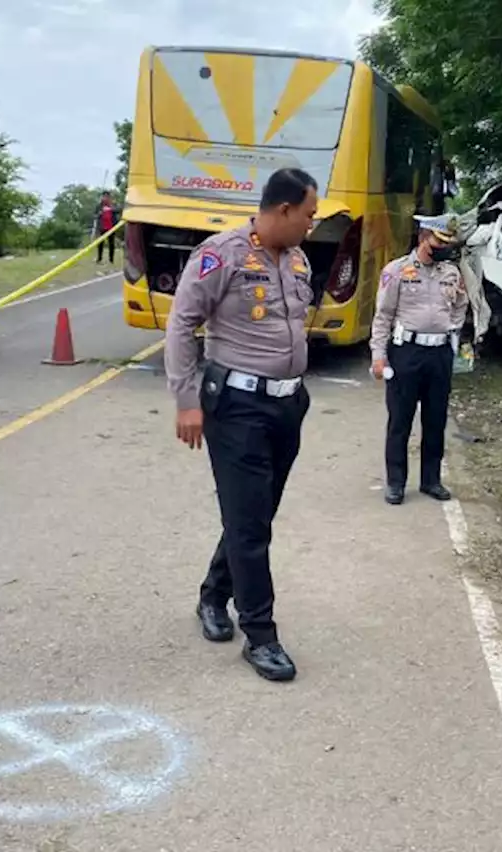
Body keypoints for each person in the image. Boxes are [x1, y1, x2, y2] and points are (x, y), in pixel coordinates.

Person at [164, 168, 319, 683]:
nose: (312, 224)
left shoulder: (297, 259)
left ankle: (213, 595)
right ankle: (261, 635)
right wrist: (187, 400)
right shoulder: (222, 254)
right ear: (282, 211)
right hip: (237, 408)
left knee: (253, 516)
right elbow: (182, 323)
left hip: (286, 406)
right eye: (308, 214)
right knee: (250, 525)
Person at [370, 213, 469, 506]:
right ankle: (396, 483)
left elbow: (461, 305)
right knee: (400, 420)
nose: (444, 247)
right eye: (439, 241)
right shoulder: (397, 270)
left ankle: (431, 480)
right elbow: (383, 316)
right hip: (406, 353)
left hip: (439, 353)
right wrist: (379, 355)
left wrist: (449, 329)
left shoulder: (451, 272)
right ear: (424, 238)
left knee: (436, 419)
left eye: (448, 243)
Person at [94, 190, 121, 264]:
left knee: (111, 243)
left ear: (109, 197)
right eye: (104, 196)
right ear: (102, 197)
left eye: (107, 196)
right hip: (102, 227)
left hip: (111, 227)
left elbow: (119, 210)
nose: (105, 198)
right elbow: (95, 215)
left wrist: (111, 209)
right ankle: (99, 259)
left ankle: (111, 260)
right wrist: (99, 213)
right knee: (100, 243)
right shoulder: (99, 205)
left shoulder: (113, 204)